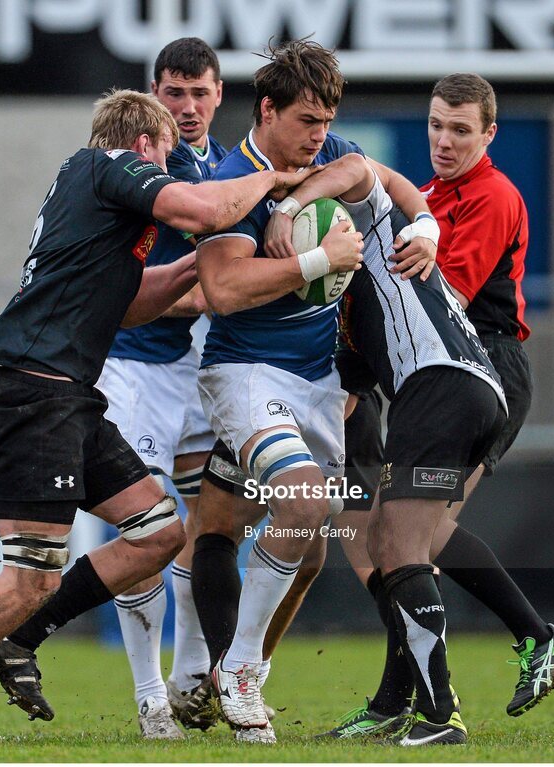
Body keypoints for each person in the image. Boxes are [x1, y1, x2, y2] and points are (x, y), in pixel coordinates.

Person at [0, 88, 309, 745]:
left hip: (67, 399)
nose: (169, 171)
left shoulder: (94, 204)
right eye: (166, 158)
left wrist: (196, 265)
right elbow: (207, 206)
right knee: (30, 577)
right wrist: (273, 176)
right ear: (146, 145)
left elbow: (128, 305)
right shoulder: (107, 165)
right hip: (36, 398)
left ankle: (21, 638)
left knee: (158, 532)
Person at [0, 37, 231, 742]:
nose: (185, 107)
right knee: (145, 523)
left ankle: (198, 675)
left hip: (194, 365)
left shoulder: (219, 163)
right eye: (172, 93)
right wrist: (229, 280)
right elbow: (144, 287)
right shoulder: (135, 167)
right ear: (154, 97)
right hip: (127, 364)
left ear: (218, 94)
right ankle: (152, 694)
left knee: (206, 523)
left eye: (198, 92)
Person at [322, 73, 554, 739]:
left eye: (460, 129)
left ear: (489, 134)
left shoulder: (494, 194)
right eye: (437, 124)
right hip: (439, 371)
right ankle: (392, 703)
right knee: (404, 538)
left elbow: (443, 300)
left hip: (480, 364)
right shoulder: (430, 199)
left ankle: (534, 635)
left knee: (414, 537)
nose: (444, 139)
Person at [192, 38, 436, 744]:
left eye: (327, 121)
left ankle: (224, 677)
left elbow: (377, 175)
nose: (319, 135)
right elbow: (223, 289)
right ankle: (235, 671)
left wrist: (425, 223)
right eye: (306, 121)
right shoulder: (229, 179)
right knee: (301, 502)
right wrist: (317, 258)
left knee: (310, 547)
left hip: (319, 383)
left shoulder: (328, 154)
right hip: (246, 375)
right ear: (267, 111)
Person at [265, 150, 511, 745]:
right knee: (384, 537)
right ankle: (404, 702)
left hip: (440, 388)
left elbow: (355, 166)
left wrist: (290, 205)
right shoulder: (351, 310)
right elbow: (345, 398)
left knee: (399, 546)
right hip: (476, 394)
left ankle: (438, 713)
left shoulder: (375, 226)